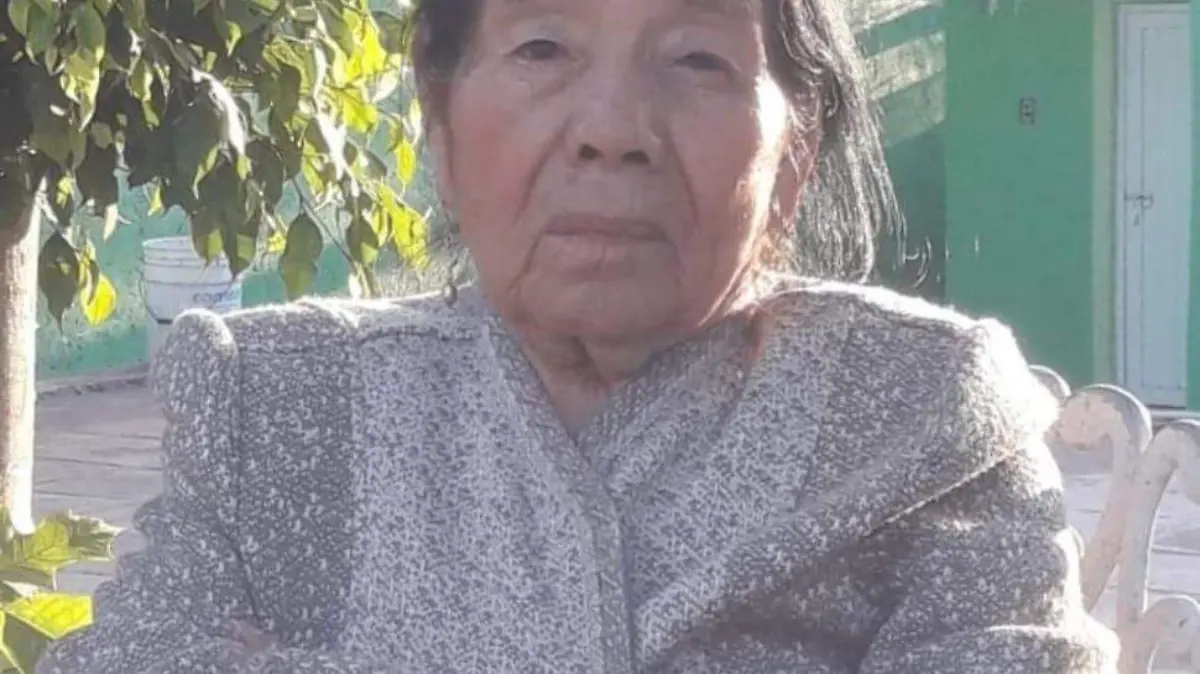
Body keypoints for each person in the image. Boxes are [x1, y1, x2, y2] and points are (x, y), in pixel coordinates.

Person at [40, 0, 1119, 671]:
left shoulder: (929, 414)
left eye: (696, 59)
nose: (612, 131)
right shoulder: (277, 400)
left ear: (797, 151)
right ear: (441, 123)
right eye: (543, 45)